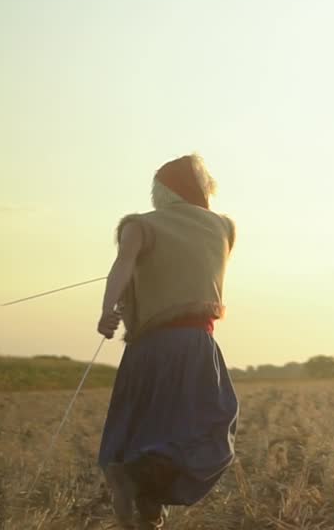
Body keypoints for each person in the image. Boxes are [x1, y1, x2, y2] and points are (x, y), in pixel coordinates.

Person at [96, 154, 239, 530]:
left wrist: (108, 309)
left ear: (160, 192)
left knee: (147, 431)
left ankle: (146, 511)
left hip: (144, 352)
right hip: (192, 345)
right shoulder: (223, 228)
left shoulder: (138, 225)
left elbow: (123, 265)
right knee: (209, 431)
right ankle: (136, 480)